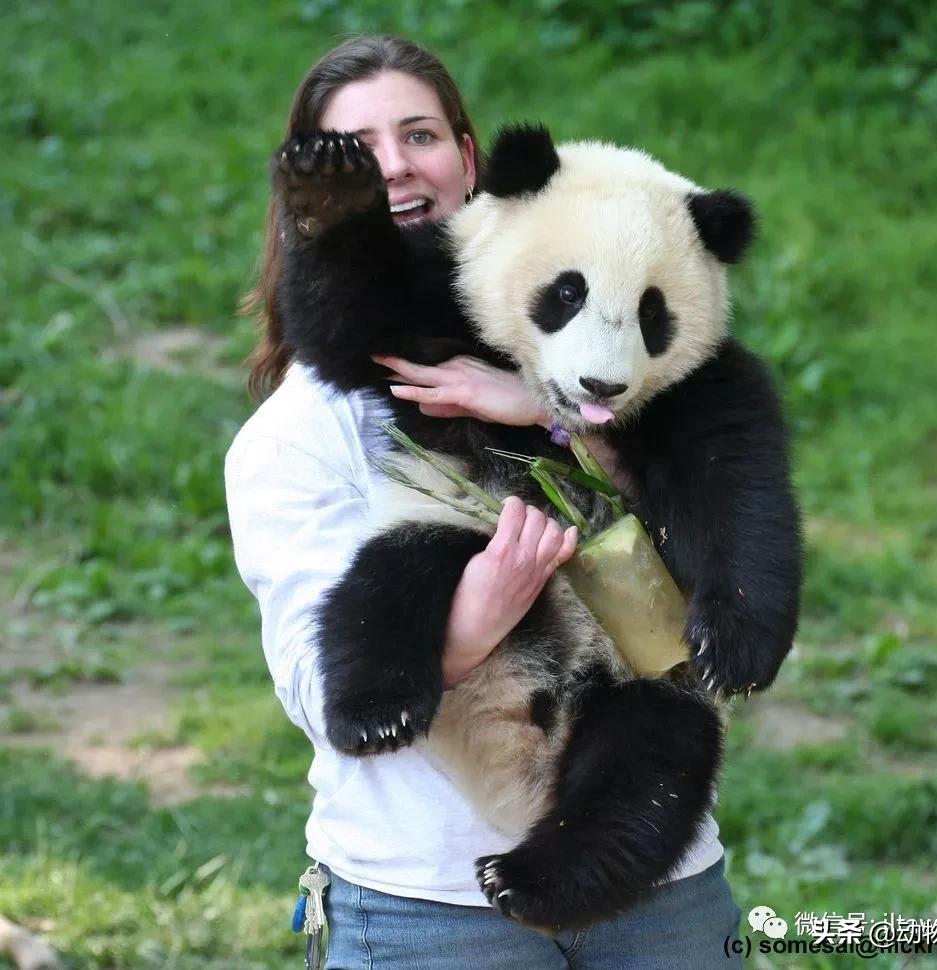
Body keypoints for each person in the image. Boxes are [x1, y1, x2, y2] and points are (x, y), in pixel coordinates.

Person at [226, 34, 742, 969]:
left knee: (667, 727)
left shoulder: (590, 326)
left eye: (419, 133)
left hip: (652, 872)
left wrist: (554, 416)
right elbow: (319, 693)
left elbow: (712, 528)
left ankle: (581, 860)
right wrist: (471, 622)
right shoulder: (293, 438)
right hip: (428, 902)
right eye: (356, 148)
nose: (394, 164)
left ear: (470, 160)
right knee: (404, 567)